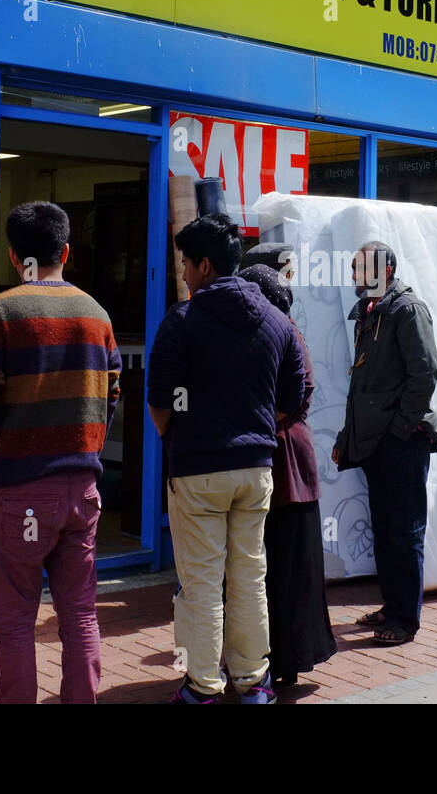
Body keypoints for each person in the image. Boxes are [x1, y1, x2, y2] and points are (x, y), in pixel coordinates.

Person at [0, 201, 121, 703]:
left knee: (13, 623)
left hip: (19, 491)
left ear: (13, 256)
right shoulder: (97, 315)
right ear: (66, 251)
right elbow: (112, 392)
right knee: (79, 613)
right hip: (81, 488)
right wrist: (87, 446)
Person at [147, 213, 306, 704]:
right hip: (257, 468)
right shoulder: (279, 323)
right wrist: (255, 424)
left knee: (201, 583)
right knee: (248, 576)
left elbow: (163, 399)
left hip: (198, 468)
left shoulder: (183, 320)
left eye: (186, 265)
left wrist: (179, 430)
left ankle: (202, 686)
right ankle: (253, 682)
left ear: (206, 265)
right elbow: (292, 398)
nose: (185, 274)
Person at [332, 241, 437, 646]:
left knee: (405, 531)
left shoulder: (407, 310)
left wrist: (397, 430)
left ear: (387, 270)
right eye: (354, 266)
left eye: (361, 267)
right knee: (384, 529)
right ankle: (391, 606)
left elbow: (425, 375)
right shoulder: (369, 312)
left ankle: (404, 621)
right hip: (376, 444)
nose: (354, 274)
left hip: (402, 443)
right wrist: (349, 439)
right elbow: (361, 386)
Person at [238, 263, 337, 688]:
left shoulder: (284, 334)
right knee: (280, 567)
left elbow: (297, 395)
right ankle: (282, 658)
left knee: (285, 568)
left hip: (285, 465)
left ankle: (288, 658)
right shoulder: (280, 331)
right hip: (282, 464)